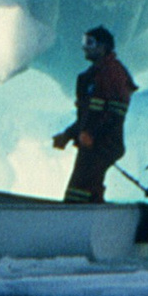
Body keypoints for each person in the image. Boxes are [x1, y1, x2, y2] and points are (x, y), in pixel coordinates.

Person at [51, 25, 135, 203]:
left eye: (90, 42)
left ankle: (81, 223)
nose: (84, 47)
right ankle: (88, 220)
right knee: (83, 189)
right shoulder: (92, 75)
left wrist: (91, 133)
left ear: (103, 46)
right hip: (92, 145)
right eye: (84, 42)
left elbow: (117, 111)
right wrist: (67, 135)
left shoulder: (113, 72)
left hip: (104, 144)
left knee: (82, 188)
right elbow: (86, 118)